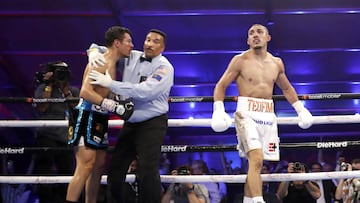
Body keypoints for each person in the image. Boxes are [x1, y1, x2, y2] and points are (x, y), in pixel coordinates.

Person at [210, 23, 314, 203]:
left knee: (256, 164)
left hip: (267, 114)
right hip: (246, 115)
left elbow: (287, 88)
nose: (255, 35)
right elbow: (221, 85)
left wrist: (300, 109)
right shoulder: (239, 60)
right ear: (248, 40)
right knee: (256, 158)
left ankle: (249, 200)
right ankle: (258, 200)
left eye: (259, 32)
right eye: (251, 33)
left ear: (268, 38)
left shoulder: (276, 63)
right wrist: (218, 110)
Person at [88, 28, 174, 203]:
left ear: (163, 48)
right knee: (116, 167)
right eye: (148, 39)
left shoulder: (165, 67)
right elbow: (106, 48)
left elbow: (145, 92)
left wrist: (111, 84)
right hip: (130, 121)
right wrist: (93, 52)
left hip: (152, 123)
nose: (149, 44)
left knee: (147, 170)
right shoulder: (131, 56)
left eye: (155, 41)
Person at [65, 26, 134, 203]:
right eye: (128, 41)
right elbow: (85, 92)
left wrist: (116, 99)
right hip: (86, 114)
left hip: (100, 117)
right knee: (85, 165)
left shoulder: (112, 64)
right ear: (117, 43)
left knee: (98, 167)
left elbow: (102, 91)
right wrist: (110, 104)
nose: (131, 45)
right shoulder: (100, 62)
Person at [33, 61, 80, 203]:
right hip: (46, 135)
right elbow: (41, 107)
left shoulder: (73, 90)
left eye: (64, 72)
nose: (61, 75)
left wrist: (65, 90)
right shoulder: (43, 88)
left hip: (66, 137)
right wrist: (49, 84)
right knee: (43, 170)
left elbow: (78, 108)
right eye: (59, 72)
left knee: (66, 172)